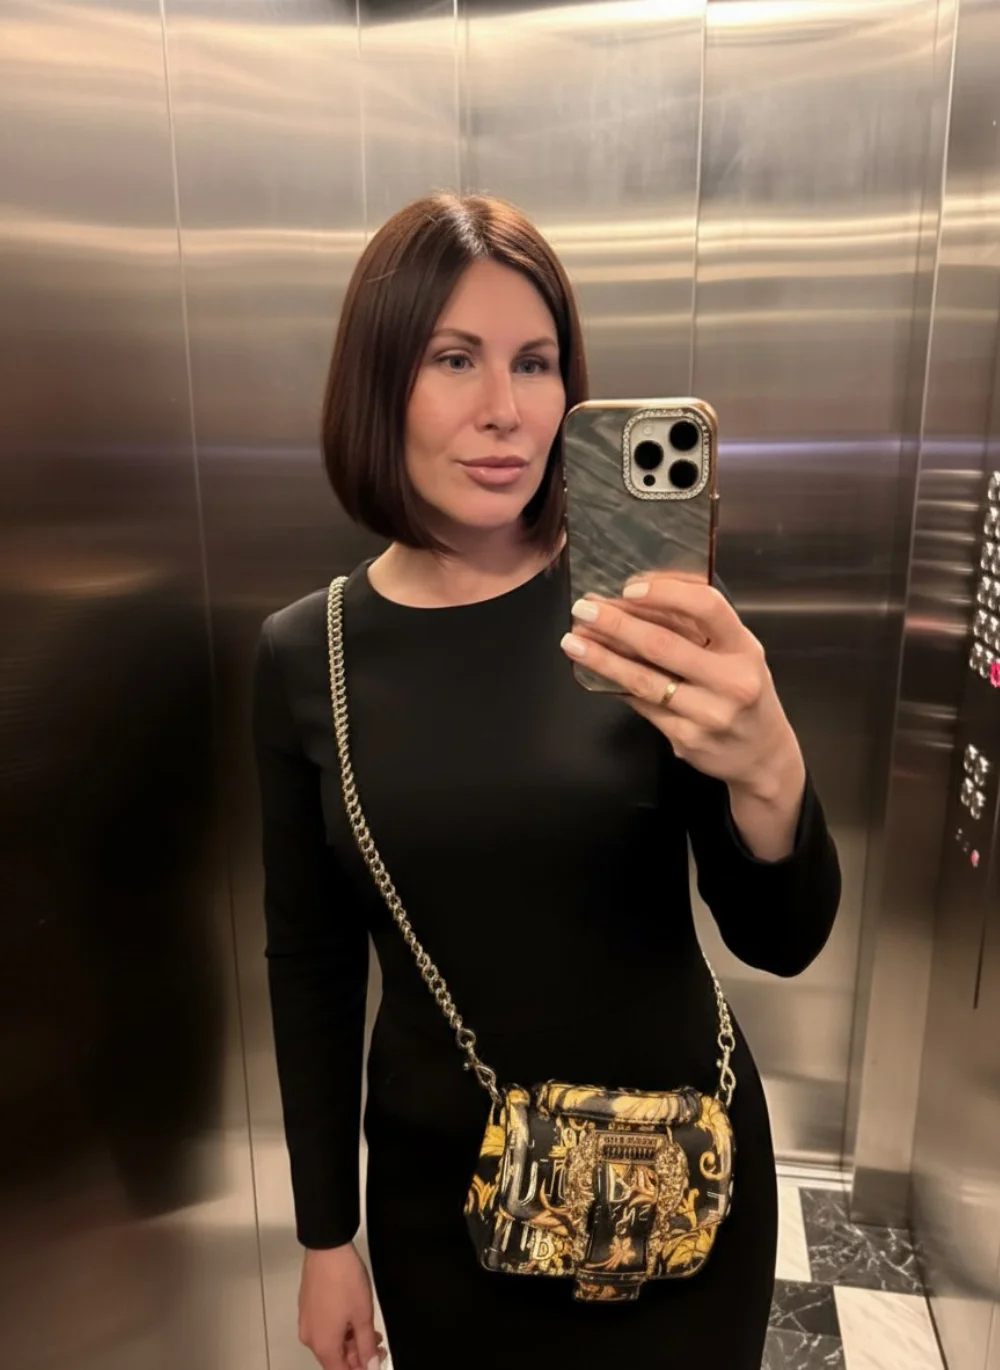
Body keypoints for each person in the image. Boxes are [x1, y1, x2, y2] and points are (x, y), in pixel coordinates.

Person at [252, 191, 841, 1370]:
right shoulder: (308, 655)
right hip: (445, 1206)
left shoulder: (646, 615)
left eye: (535, 361)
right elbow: (310, 964)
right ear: (378, 382)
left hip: (685, 1174)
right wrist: (325, 1235)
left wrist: (771, 770)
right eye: (453, 358)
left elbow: (778, 940)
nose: (506, 410)